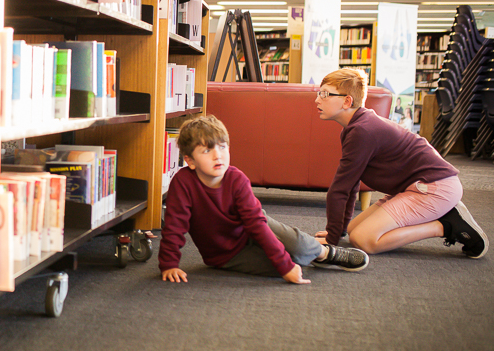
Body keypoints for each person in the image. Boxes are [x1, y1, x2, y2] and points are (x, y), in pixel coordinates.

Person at [158, 115, 369, 285]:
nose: (218, 156)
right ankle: (304, 257)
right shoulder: (183, 183)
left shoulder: (236, 179)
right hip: (226, 254)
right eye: (207, 150)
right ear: (190, 161)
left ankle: (324, 253)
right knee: (284, 265)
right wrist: (169, 264)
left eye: (222, 147)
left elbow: (256, 224)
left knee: (299, 248)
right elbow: (175, 226)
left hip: (255, 225)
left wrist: (285, 265)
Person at [314, 67, 488, 258]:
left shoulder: (362, 131)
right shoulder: (354, 127)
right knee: (353, 231)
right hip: (414, 187)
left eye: (324, 94)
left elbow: (339, 189)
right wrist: (338, 231)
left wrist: (331, 239)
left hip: (435, 188)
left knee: (363, 240)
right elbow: (351, 184)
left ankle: (446, 226)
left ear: (347, 101)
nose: (317, 99)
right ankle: (444, 215)